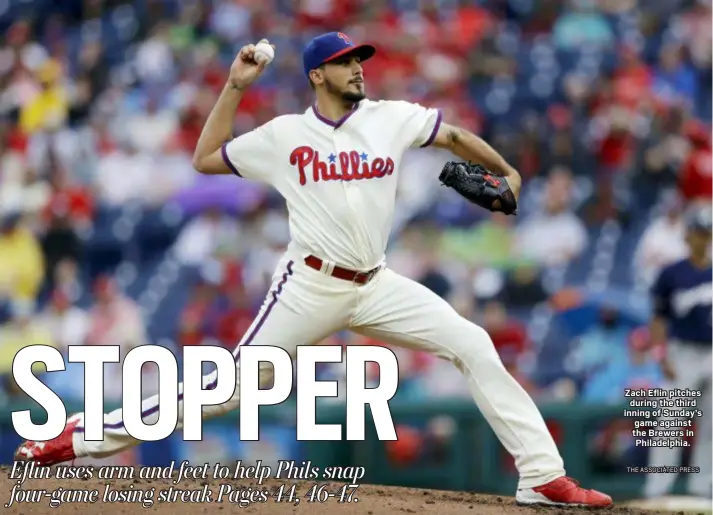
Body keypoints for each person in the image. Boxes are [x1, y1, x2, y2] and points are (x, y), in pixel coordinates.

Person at [16, 32, 611, 508]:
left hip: (376, 283)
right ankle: (80, 434)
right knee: (227, 391)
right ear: (316, 75)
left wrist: (508, 173)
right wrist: (233, 86)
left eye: (359, 59)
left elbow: (451, 134)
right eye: (344, 61)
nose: (358, 68)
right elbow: (203, 158)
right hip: (308, 285)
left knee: (473, 344)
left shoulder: (391, 117)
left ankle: (540, 476)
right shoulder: (285, 135)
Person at [643, 204, 712, 500]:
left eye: (706, 232)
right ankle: (657, 490)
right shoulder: (671, 273)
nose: (702, 237)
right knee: (670, 423)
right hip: (681, 351)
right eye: (697, 231)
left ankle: (703, 488)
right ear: (687, 236)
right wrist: (661, 354)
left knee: (711, 425)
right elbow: (658, 318)